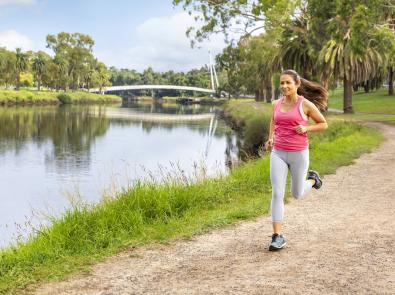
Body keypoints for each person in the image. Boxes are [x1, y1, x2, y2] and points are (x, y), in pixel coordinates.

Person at [265, 69, 328, 251]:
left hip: (299, 152)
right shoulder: (276, 103)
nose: (284, 86)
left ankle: (313, 180)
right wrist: (271, 137)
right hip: (278, 153)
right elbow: (273, 121)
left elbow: (323, 123)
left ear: (297, 85)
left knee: (297, 193)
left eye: (288, 83)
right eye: (282, 83)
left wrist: (306, 128)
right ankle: (277, 236)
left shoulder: (305, 104)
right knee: (277, 193)